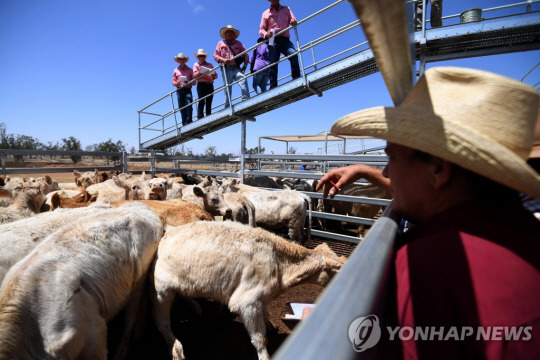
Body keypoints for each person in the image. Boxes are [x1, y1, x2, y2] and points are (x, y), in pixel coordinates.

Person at [317, 67, 540, 358]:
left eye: (392, 157)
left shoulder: (427, 264)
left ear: (437, 168)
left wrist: (329, 339)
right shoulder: (524, 232)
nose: (386, 171)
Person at [259, 0, 301, 89]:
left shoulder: (287, 9)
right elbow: (261, 29)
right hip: (273, 40)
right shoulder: (265, 13)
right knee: (273, 64)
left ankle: (296, 78)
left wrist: (293, 21)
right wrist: (266, 34)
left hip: (285, 39)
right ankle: (273, 86)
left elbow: (293, 19)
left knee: (293, 54)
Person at [214, 25, 250, 108]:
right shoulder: (220, 43)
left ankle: (246, 99)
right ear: (225, 35)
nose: (229, 34)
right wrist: (223, 60)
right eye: (228, 33)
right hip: (226, 68)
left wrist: (245, 64)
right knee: (227, 86)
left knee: (243, 79)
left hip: (236, 67)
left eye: (231, 33)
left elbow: (245, 54)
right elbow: (215, 56)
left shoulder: (238, 43)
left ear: (233, 35)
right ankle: (227, 105)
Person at [192, 49, 218, 119]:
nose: (202, 57)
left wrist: (213, 76)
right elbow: (194, 75)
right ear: (198, 57)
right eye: (200, 56)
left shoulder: (210, 65)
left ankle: (208, 116)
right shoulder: (196, 64)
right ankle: (200, 117)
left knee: (209, 101)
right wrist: (200, 73)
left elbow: (216, 75)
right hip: (201, 84)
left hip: (210, 84)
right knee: (201, 101)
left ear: (205, 57)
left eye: (203, 56)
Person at [172, 53, 195, 126]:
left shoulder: (190, 70)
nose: (181, 61)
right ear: (178, 60)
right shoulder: (176, 70)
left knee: (189, 104)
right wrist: (176, 83)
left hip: (187, 89)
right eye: (180, 59)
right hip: (179, 90)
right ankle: (184, 122)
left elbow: (194, 82)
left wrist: (189, 82)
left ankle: (189, 121)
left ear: (185, 60)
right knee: (181, 106)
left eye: (183, 59)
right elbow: (173, 81)